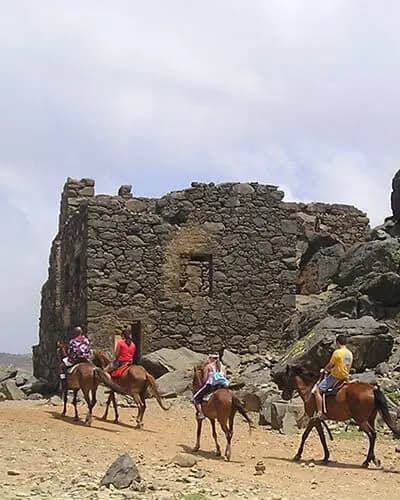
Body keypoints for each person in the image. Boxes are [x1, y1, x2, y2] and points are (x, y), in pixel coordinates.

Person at [313, 334, 353, 419]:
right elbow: (343, 366)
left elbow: (331, 364)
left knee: (317, 391)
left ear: (337, 343)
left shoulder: (337, 352)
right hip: (345, 377)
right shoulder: (350, 354)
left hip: (335, 377)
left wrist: (324, 370)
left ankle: (320, 413)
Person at [193, 353, 229, 420]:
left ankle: (201, 413)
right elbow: (225, 377)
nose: (208, 359)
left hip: (211, 385)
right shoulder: (223, 367)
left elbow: (205, 379)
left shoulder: (209, 366)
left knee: (196, 398)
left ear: (211, 358)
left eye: (209, 358)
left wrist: (202, 384)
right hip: (222, 386)